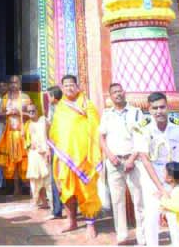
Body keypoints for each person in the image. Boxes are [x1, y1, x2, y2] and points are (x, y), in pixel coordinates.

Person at [50, 74, 102, 237]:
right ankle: (71, 221)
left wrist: (92, 153)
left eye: (72, 85)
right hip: (65, 158)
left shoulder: (88, 105)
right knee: (66, 190)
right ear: (62, 88)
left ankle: (90, 225)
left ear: (77, 86)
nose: (69, 88)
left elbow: (96, 130)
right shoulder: (60, 107)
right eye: (66, 85)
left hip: (85, 157)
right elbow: (55, 131)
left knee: (87, 192)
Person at [101, 82, 145, 245]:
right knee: (117, 200)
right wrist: (110, 156)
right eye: (114, 92)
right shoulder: (106, 114)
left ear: (124, 93)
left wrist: (132, 159)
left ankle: (143, 236)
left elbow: (142, 138)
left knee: (139, 200)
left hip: (133, 162)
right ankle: (122, 236)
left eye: (120, 91)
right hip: (114, 162)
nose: (118, 94)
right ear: (110, 96)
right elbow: (102, 138)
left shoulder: (136, 113)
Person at [134, 93, 179, 247]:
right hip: (151, 176)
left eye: (162, 107)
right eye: (155, 108)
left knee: (175, 215)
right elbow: (145, 159)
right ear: (149, 109)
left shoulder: (177, 125)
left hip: (173, 175)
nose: (159, 111)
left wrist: (172, 185)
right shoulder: (142, 128)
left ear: (168, 107)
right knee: (152, 215)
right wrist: (160, 188)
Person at [25, 101, 52, 209]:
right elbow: (25, 141)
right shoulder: (27, 125)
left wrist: (47, 149)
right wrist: (30, 145)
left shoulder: (44, 121)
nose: (31, 113)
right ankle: (41, 201)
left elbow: (50, 136)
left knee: (47, 179)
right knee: (35, 180)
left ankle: (52, 203)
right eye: (29, 111)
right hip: (34, 154)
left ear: (37, 111)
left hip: (45, 153)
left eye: (33, 111)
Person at [45, 85, 66, 219]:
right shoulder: (52, 108)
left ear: (53, 96)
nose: (48, 99)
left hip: (64, 148)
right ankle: (57, 210)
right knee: (55, 179)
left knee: (62, 178)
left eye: (49, 96)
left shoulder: (65, 108)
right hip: (55, 146)